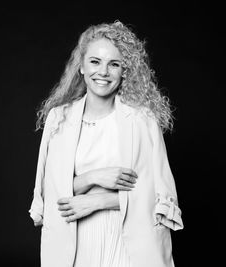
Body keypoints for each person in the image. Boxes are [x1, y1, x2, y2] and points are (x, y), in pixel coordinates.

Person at [29, 21, 183, 267]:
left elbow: (160, 197)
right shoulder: (58, 119)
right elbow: (50, 196)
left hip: (130, 243)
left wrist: (97, 201)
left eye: (114, 64)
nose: (103, 72)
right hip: (75, 243)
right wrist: (95, 177)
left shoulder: (143, 120)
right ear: (81, 67)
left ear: (125, 71)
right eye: (95, 61)